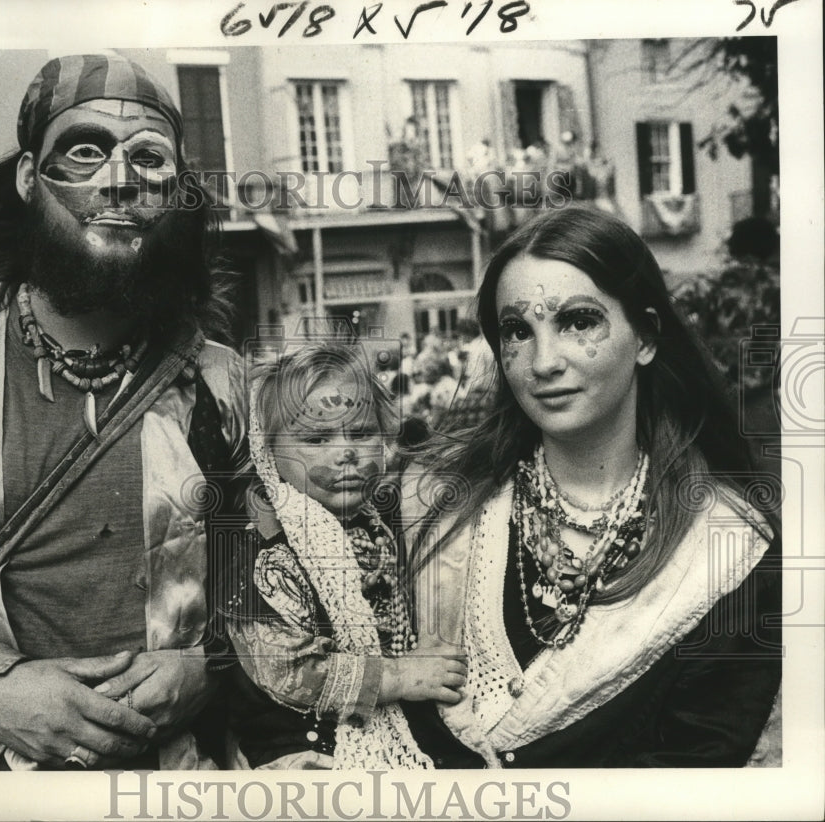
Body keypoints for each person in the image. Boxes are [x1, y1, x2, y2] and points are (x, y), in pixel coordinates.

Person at [0, 54, 249, 770]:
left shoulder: (218, 382)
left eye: (149, 158)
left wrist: (208, 667)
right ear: (27, 177)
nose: (119, 179)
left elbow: (274, 586)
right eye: (84, 150)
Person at [403, 206, 781, 767]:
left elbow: (695, 772)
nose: (543, 361)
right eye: (517, 331)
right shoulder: (435, 501)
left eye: (578, 321)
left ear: (646, 337)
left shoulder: (728, 547)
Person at [220, 342, 476, 769]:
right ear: (268, 450)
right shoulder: (265, 555)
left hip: (395, 719)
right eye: (317, 438)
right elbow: (287, 672)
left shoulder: (379, 522)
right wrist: (397, 676)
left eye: (360, 433)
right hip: (300, 749)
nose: (346, 453)